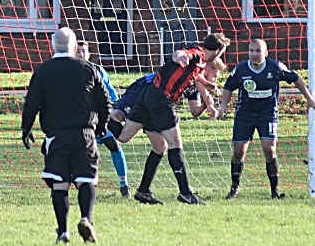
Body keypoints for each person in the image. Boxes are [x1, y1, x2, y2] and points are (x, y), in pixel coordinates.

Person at [117, 33, 231, 205]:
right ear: (218, 50)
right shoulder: (198, 53)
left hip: (148, 94)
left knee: (125, 136)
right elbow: (181, 54)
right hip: (161, 98)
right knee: (175, 144)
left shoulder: (199, 64)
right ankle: (185, 193)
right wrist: (180, 56)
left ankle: (143, 191)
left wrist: (207, 85)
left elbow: (193, 74)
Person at [21, 27, 112, 244]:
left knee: (60, 184)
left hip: (56, 136)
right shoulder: (89, 69)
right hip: (85, 133)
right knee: (87, 179)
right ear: (74, 46)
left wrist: (26, 129)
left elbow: (31, 103)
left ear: (52, 46)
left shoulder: (43, 71)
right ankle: (86, 219)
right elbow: (105, 101)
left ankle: (63, 231)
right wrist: (101, 125)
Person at [218, 39, 315, 200]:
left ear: (265, 53)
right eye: (251, 50)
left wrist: (309, 99)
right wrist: (223, 105)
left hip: (267, 115)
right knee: (238, 152)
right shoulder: (241, 69)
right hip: (245, 116)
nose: (254, 54)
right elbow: (228, 86)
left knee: (269, 150)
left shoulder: (275, 67)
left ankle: (274, 192)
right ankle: (234, 188)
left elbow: (296, 78)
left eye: (258, 51)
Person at [75, 41, 129, 198]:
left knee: (114, 145)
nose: (81, 54)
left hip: (99, 118)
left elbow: (110, 92)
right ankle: (71, 184)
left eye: (83, 51)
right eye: (78, 51)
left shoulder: (98, 70)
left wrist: (113, 108)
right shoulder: (68, 70)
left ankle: (124, 184)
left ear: (89, 54)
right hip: (80, 121)